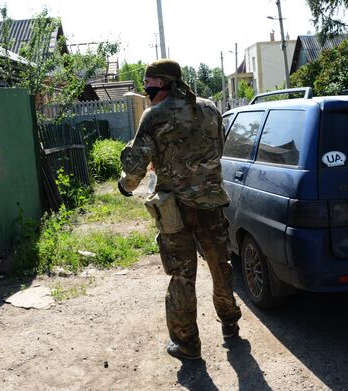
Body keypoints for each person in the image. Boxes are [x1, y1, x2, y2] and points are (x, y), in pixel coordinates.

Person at [118, 59, 242, 361]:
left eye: (149, 85)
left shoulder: (155, 116)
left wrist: (126, 185)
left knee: (183, 275)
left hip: (175, 208)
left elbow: (135, 166)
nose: (146, 91)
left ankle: (187, 343)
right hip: (211, 202)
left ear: (164, 83)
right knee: (220, 264)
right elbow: (219, 149)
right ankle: (230, 321)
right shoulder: (211, 108)